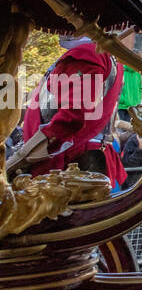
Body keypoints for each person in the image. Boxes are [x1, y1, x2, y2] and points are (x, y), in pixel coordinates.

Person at [12, 36, 126, 190]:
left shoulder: (86, 54)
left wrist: (27, 153)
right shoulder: (106, 56)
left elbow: (72, 115)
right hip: (76, 154)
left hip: (66, 160)